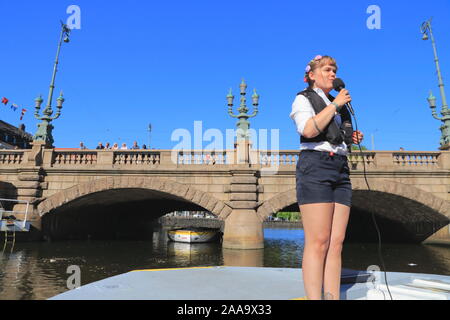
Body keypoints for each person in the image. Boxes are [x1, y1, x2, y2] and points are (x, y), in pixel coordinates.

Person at [290, 55, 364, 300]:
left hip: (340, 168)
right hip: (316, 167)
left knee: (336, 242)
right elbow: (308, 130)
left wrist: (349, 137)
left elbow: (332, 133)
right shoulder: (303, 98)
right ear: (312, 75)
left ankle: (332, 297)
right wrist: (335, 106)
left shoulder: (337, 103)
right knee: (318, 240)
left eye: (335, 70)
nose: (333, 74)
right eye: (328, 70)